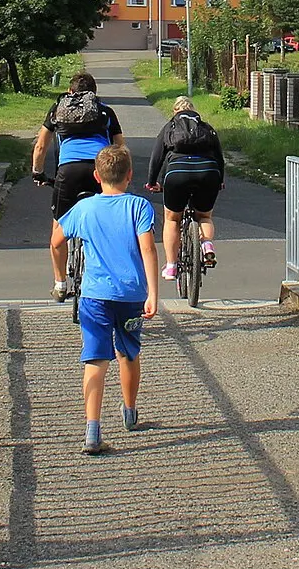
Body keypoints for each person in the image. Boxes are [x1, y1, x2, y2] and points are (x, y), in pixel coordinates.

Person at [49, 143, 159, 455]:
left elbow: (56, 241)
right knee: (128, 352)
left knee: (95, 359)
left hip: (94, 296)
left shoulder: (83, 209)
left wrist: (61, 278)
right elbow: (148, 249)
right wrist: (153, 292)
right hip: (130, 295)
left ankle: (92, 429)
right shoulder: (139, 207)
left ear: (97, 176)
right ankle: (129, 410)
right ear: (130, 175)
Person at [31, 71, 124, 301]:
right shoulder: (105, 112)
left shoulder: (58, 109)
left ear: (70, 91)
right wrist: (120, 178)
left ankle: (60, 284)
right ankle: (105, 277)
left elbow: (41, 146)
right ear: (94, 93)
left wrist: (38, 172)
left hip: (68, 172)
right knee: (104, 225)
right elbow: (120, 148)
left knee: (59, 230)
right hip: (98, 172)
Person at [145, 95, 224, 279]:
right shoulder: (206, 128)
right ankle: (207, 244)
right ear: (194, 110)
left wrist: (152, 181)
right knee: (204, 215)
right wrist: (220, 179)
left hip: (177, 174)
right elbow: (219, 157)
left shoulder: (170, 127)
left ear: (175, 111)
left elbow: (157, 157)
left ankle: (172, 266)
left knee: (172, 219)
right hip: (208, 172)